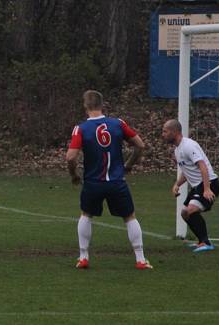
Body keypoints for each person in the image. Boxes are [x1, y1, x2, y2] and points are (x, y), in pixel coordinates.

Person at [66, 90, 151, 270]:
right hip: (116, 182)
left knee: (86, 215)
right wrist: (128, 165)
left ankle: (83, 257)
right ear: (102, 105)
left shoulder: (80, 129)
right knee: (129, 217)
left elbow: (70, 157)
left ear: (85, 106)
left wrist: (74, 175)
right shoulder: (118, 124)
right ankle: (140, 259)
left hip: (93, 183)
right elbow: (140, 145)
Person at [162, 120, 219, 253]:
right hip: (198, 186)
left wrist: (206, 189)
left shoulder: (189, 145)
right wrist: (176, 185)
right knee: (184, 213)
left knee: (191, 210)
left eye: (165, 131)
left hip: (210, 183)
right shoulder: (177, 150)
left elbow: (203, 166)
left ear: (175, 132)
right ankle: (201, 241)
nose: (163, 134)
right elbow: (186, 171)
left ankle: (206, 243)